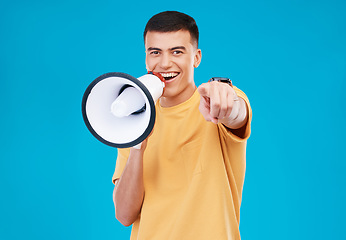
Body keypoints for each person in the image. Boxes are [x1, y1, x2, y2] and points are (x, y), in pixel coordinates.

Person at [112, 11, 252, 240]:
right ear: (146, 58)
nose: (165, 63)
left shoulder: (215, 100)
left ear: (196, 57)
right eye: (155, 52)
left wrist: (226, 101)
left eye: (177, 51)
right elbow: (124, 215)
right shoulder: (134, 120)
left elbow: (236, 113)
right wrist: (138, 147)